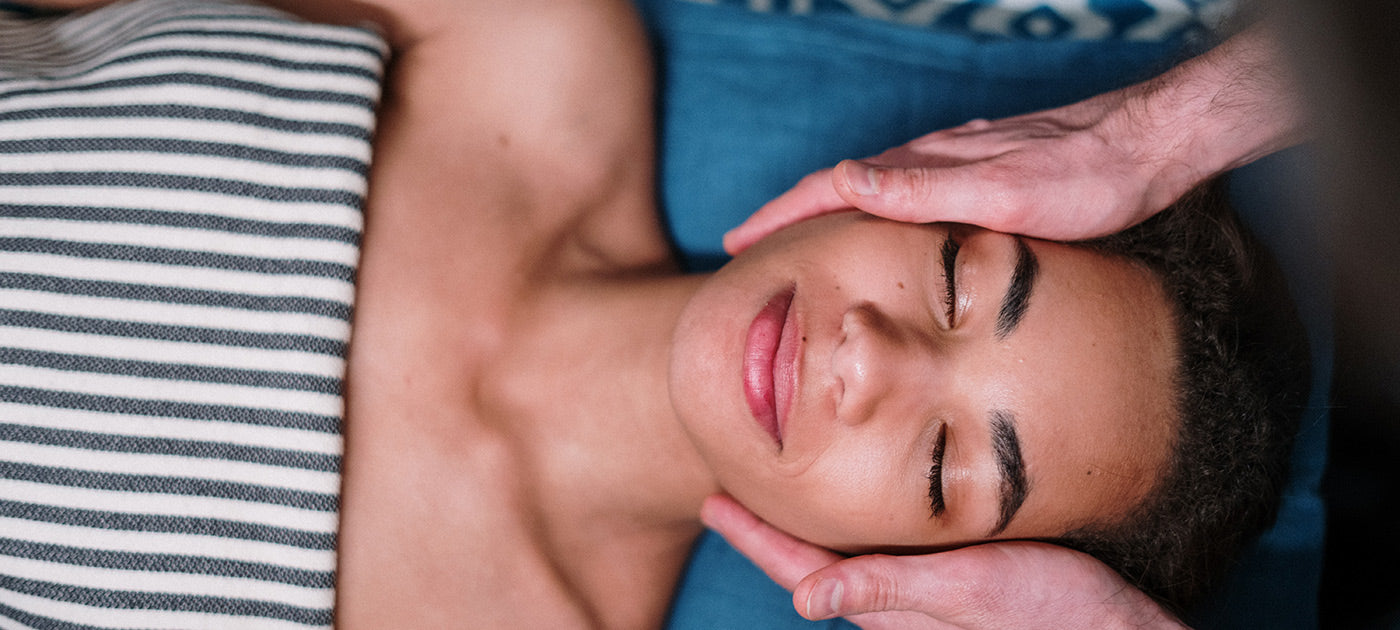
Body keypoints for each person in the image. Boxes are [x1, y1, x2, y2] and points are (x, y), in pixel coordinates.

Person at [0, 1, 1308, 628]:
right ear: (949, 171)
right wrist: (1158, 130)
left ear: (929, 575)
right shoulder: (530, 34)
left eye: (944, 462)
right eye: (962, 277)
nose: (873, 358)